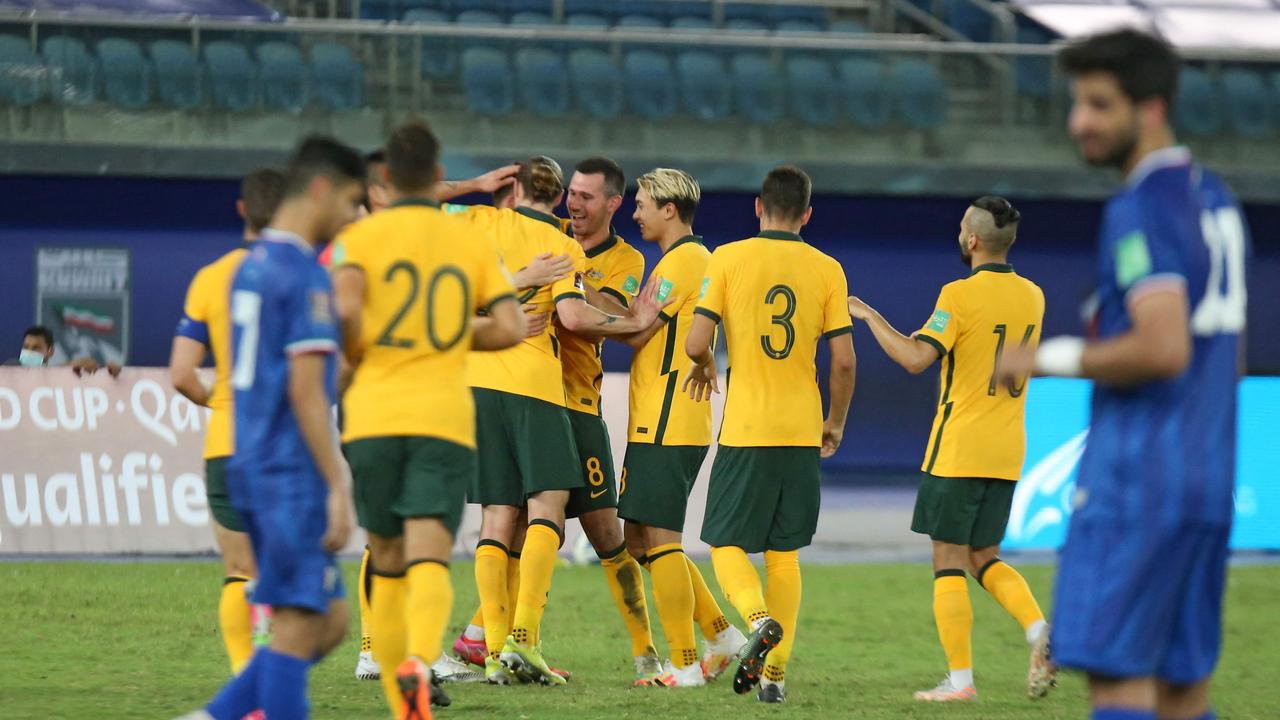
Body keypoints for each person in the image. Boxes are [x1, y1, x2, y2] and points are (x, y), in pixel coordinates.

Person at [1001, 29, 1249, 720]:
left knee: (1118, 686)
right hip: (1204, 480)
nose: (1080, 121)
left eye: (1099, 105)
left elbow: (1162, 346)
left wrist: (1044, 358)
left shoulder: (1141, 207)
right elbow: (1225, 353)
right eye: (1079, 103)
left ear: (1150, 109)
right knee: (1181, 690)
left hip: (1139, 482)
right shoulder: (1217, 199)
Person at [331, 121, 526, 718]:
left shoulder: (358, 240)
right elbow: (512, 325)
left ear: (384, 178)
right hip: (441, 416)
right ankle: (419, 659)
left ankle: (397, 682)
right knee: (430, 556)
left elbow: (341, 316)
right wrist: (445, 335)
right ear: (439, 177)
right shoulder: (465, 240)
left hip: (372, 416)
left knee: (385, 556)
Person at [451, 156, 669, 686]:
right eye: (571, 193)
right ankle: (502, 643)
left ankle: (643, 653)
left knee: (602, 533)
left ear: (612, 204)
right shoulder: (559, 246)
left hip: (574, 403)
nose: (575, 203)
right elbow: (584, 316)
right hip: (538, 392)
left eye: (587, 197)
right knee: (524, 520)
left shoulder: (624, 260)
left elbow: (598, 320)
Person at [177, 135, 363, 720]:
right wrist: (337, 482)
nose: (355, 216)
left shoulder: (247, 271)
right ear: (320, 189)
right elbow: (307, 390)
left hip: (251, 457)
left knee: (327, 622)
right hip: (287, 470)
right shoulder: (303, 275)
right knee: (298, 624)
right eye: (353, 201)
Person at [847, 196, 1052, 702]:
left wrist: (870, 317)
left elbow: (917, 358)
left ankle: (960, 681)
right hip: (1007, 448)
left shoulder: (959, 295)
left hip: (960, 444)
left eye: (963, 227)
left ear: (974, 240)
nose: (959, 234)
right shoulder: (1034, 296)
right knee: (984, 556)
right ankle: (1038, 632)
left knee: (948, 559)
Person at [685, 166, 856, 703]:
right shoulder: (828, 268)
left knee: (725, 544)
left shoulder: (728, 258)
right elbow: (845, 361)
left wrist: (707, 363)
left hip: (748, 427)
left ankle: (758, 621)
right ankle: (775, 678)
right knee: (785, 555)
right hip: (802, 428)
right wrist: (835, 423)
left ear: (758, 208)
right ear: (806, 215)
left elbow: (695, 342)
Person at [616, 168, 738, 689]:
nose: (635, 211)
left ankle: (686, 664)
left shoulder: (684, 261)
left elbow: (637, 329)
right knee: (640, 541)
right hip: (659, 418)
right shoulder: (688, 260)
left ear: (670, 209)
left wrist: (576, 294)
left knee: (661, 540)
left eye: (642, 203)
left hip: (669, 417)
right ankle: (720, 634)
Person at [169, 166, 286, 676]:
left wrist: (220, 404)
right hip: (283, 446)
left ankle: (247, 682)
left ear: (242, 209)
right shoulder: (301, 277)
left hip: (227, 444)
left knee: (239, 572)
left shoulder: (211, 277)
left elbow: (180, 374)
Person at [8, 324, 122, 376]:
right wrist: (71, 364)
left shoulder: (64, 378)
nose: (29, 352)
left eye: (35, 348)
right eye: (26, 347)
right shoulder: (10, 367)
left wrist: (108, 374)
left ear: (50, 351)